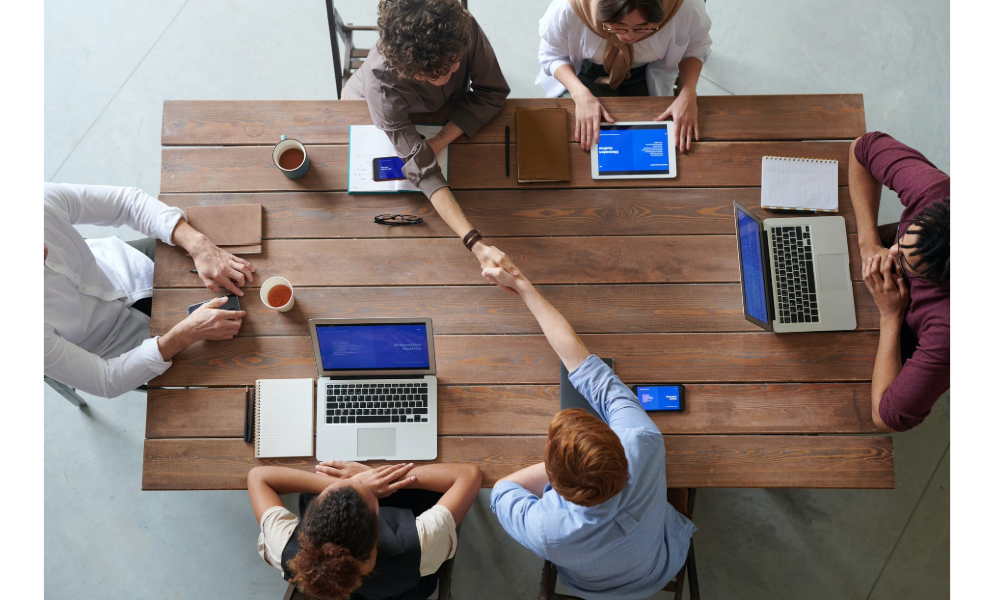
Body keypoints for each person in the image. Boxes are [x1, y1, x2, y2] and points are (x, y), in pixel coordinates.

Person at [482, 261, 696, 599]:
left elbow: (503, 490)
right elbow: (585, 368)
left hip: (590, 587)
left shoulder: (546, 530)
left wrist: (522, 285)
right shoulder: (641, 441)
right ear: (616, 445)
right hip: (661, 564)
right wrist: (523, 284)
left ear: (552, 482)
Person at [342, 0, 518, 291]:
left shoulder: (461, 29)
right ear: (406, 67)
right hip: (369, 108)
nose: (446, 78)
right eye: (431, 75)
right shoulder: (381, 83)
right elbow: (422, 168)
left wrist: (439, 140)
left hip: (438, 115)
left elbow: (493, 91)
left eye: (452, 65)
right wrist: (475, 244)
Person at [44, 182, 253, 398]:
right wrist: (185, 334)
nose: (44, 249)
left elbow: (126, 203)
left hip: (129, 264)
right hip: (122, 348)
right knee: (227, 376)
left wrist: (199, 246)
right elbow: (105, 380)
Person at [249, 461, 481, 600]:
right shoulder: (420, 543)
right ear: (379, 520)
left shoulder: (286, 550)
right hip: (407, 589)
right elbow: (470, 474)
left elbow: (258, 476)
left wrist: (357, 482)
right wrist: (381, 475)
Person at [848, 131, 950, 432]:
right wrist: (868, 245)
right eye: (903, 240)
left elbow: (886, 417)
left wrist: (890, 315)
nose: (892, 252)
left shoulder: (950, 328)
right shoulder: (936, 192)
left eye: (905, 262)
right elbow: (862, 147)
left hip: (900, 322)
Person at [537, 0, 712, 154]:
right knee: (592, 138)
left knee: (651, 138)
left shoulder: (685, 7)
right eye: (618, 26)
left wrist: (688, 92)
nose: (629, 36)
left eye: (643, 27)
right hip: (586, 70)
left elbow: (694, 50)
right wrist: (579, 94)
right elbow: (552, 55)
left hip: (645, 70)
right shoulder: (568, 8)